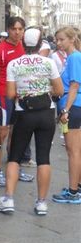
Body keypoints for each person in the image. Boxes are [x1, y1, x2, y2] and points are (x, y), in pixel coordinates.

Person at [0, 28, 63, 215]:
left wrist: (24, 92)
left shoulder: (14, 64)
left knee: (14, 156)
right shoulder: (48, 63)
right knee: (43, 157)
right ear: (41, 44)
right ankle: (41, 203)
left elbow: (9, 94)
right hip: (46, 113)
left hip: (23, 114)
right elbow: (59, 90)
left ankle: (8, 199)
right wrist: (43, 89)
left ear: (23, 43)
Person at [0, 17, 34, 187]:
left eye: (20, 29)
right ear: (8, 29)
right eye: (14, 29)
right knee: (2, 132)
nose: (17, 32)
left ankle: (13, 168)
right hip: (2, 95)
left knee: (18, 133)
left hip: (19, 97)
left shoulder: (23, 47)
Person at [52, 27, 81, 204]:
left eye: (62, 39)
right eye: (57, 40)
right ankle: (76, 186)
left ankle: (72, 191)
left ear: (71, 39)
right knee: (76, 150)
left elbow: (74, 85)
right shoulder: (73, 57)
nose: (58, 43)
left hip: (74, 107)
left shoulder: (74, 57)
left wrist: (65, 110)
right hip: (75, 106)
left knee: (73, 151)